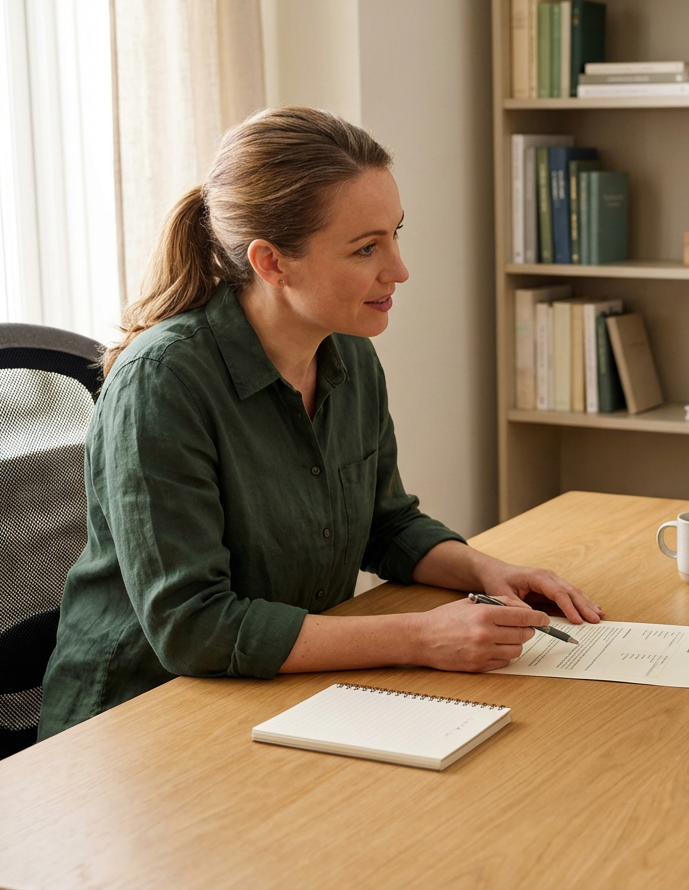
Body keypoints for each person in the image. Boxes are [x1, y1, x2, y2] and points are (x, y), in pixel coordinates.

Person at [38, 107, 603, 740]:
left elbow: (386, 524)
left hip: (284, 696)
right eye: (367, 248)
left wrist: (487, 572)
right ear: (273, 263)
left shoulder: (348, 351)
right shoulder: (163, 381)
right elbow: (193, 628)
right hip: (141, 721)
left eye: (395, 234)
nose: (399, 269)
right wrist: (420, 635)